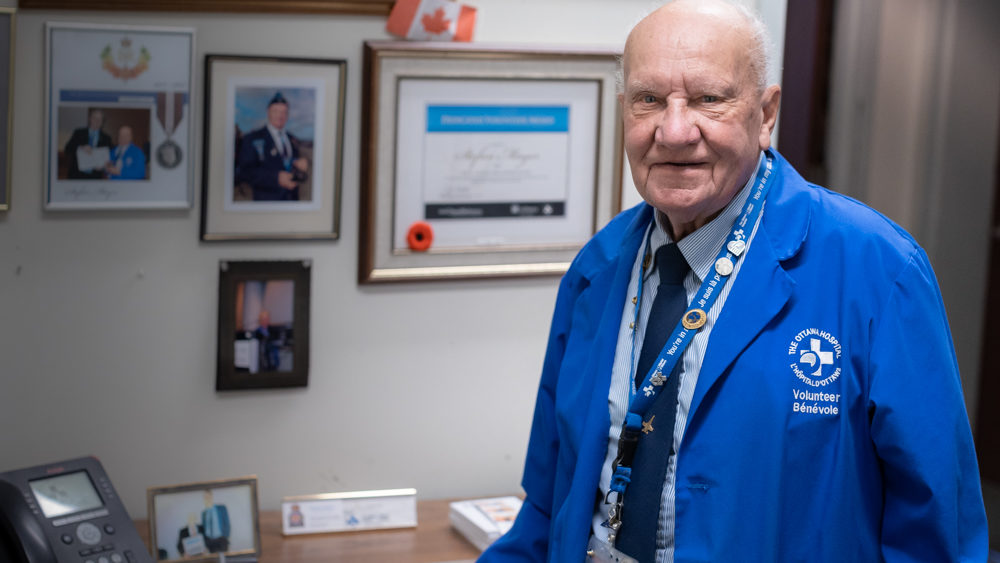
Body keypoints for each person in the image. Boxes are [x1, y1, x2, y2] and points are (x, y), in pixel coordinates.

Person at [479, 1, 988, 562]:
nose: (674, 132)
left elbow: (937, 534)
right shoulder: (596, 271)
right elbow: (550, 504)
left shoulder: (878, 271)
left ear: (765, 113)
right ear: (624, 110)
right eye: (649, 99)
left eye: (709, 99)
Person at [235, 92, 309, 201]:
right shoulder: (252, 138)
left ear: (287, 115)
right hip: (267, 204)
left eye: (284, 112)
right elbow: (244, 172)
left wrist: (300, 162)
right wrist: (276, 178)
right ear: (268, 112)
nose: (280, 116)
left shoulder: (292, 139)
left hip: (292, 203)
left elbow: (288, 161)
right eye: (276, 111)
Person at [63, 108, 112, 179]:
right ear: (90, 119)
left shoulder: (106, 138)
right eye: (94, 118)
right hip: (76, 175)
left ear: (102, 122)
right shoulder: (79, 133)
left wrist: (105, 166)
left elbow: (111, 157)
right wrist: (80, 147)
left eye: (100, 119)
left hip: (95, 177)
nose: (97, 121)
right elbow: (67, 149)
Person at [199, 489, 231, 554]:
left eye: (208, 497)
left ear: (211, 497)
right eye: (205, 498)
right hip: (209, 541)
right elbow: (204, 528)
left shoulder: (221, 508)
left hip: (221, 539)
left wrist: (225, 537)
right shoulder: (204, 513)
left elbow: (227, 523)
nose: (207, 499)